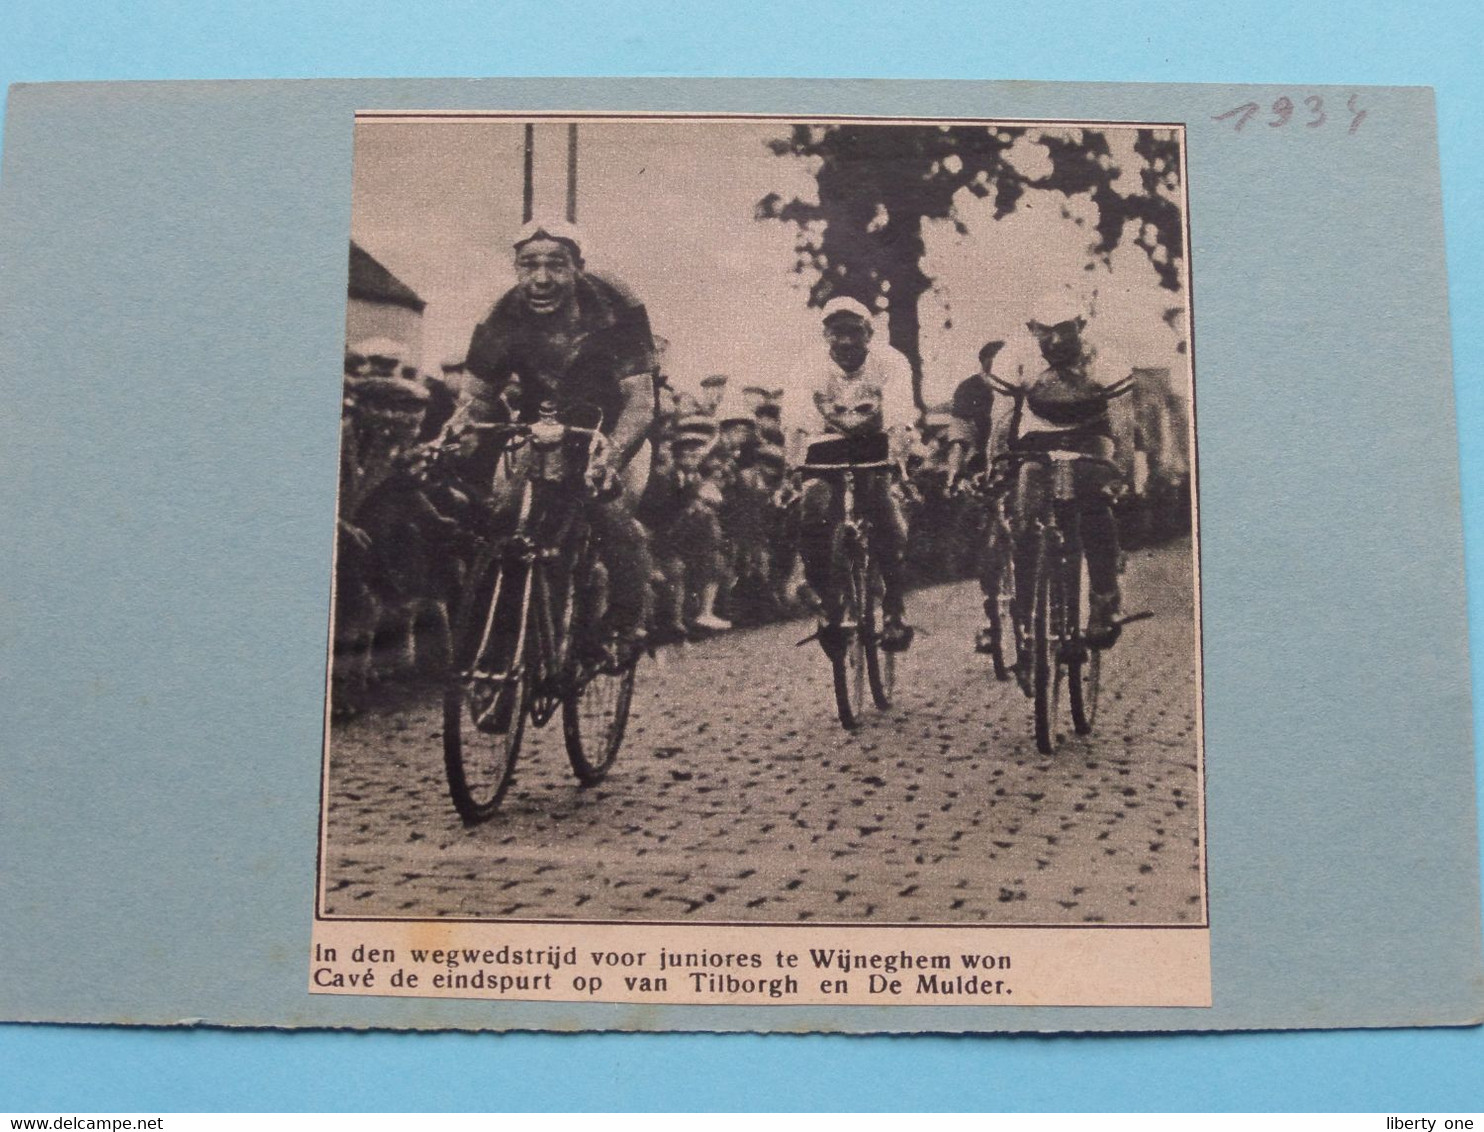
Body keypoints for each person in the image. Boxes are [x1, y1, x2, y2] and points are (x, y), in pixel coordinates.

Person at [455, 219, 657, 655]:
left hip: (612, 426)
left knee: (609, 509)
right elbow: (475, 396)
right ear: (516, 269)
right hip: (540, 427)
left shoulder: (616, 305)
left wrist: (612, 454)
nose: (541, 278)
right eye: (529, 266)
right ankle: (504, 642)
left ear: (578, 267)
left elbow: (641, 402)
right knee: (506, 515)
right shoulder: (500, 315)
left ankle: (622, 622)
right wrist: (457, 430)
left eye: (556, 265)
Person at [986, 308, 1132, 679]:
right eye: (1045, 333)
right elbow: (1003, 418)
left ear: (1080, 327)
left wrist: (1121, 471)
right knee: (1025, 514)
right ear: (1031, 329)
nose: (1054, 342)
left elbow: (1121, 424)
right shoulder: (1015, 356)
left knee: (1095, 500)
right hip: (1039, 432)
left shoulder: (1107, 357)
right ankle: (1026, 618)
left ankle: (1103, 598)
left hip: (1091, 432)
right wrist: (997, 460)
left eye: (1064, 332)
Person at [782, 296, 917, 653]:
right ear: (825, 334)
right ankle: (826, 597)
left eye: (853, 333)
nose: (844, 342)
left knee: (880, 503)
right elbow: (796, 423)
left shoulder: (890, 361)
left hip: (876, 439)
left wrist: (899, 461)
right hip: (827, 441)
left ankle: (893, 610)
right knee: (812, 504)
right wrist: (792, 469)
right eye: (836, 333)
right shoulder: (808, 365)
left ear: (869, 334)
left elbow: (900, 417)